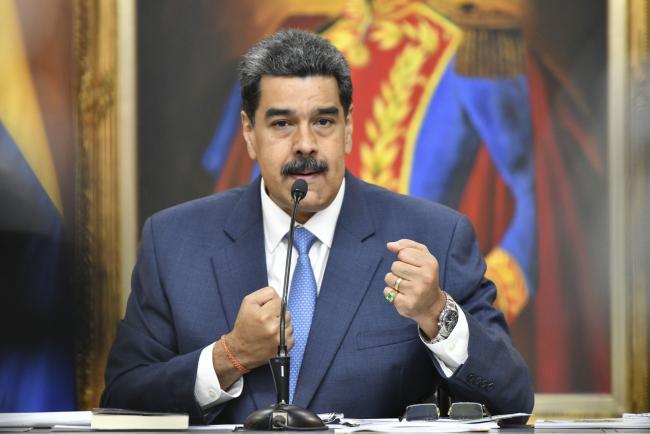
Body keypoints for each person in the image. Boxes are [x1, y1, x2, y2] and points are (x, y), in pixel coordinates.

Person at [101, 29, 534, 424]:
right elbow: (122, 401)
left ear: (347, 130)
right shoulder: (174, 241)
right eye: (282, 123)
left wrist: (437, 314)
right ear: (249, 134)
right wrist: (227, 357)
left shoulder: (437, 235)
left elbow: (513, 399)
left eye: (323, 121)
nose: (305, 143)